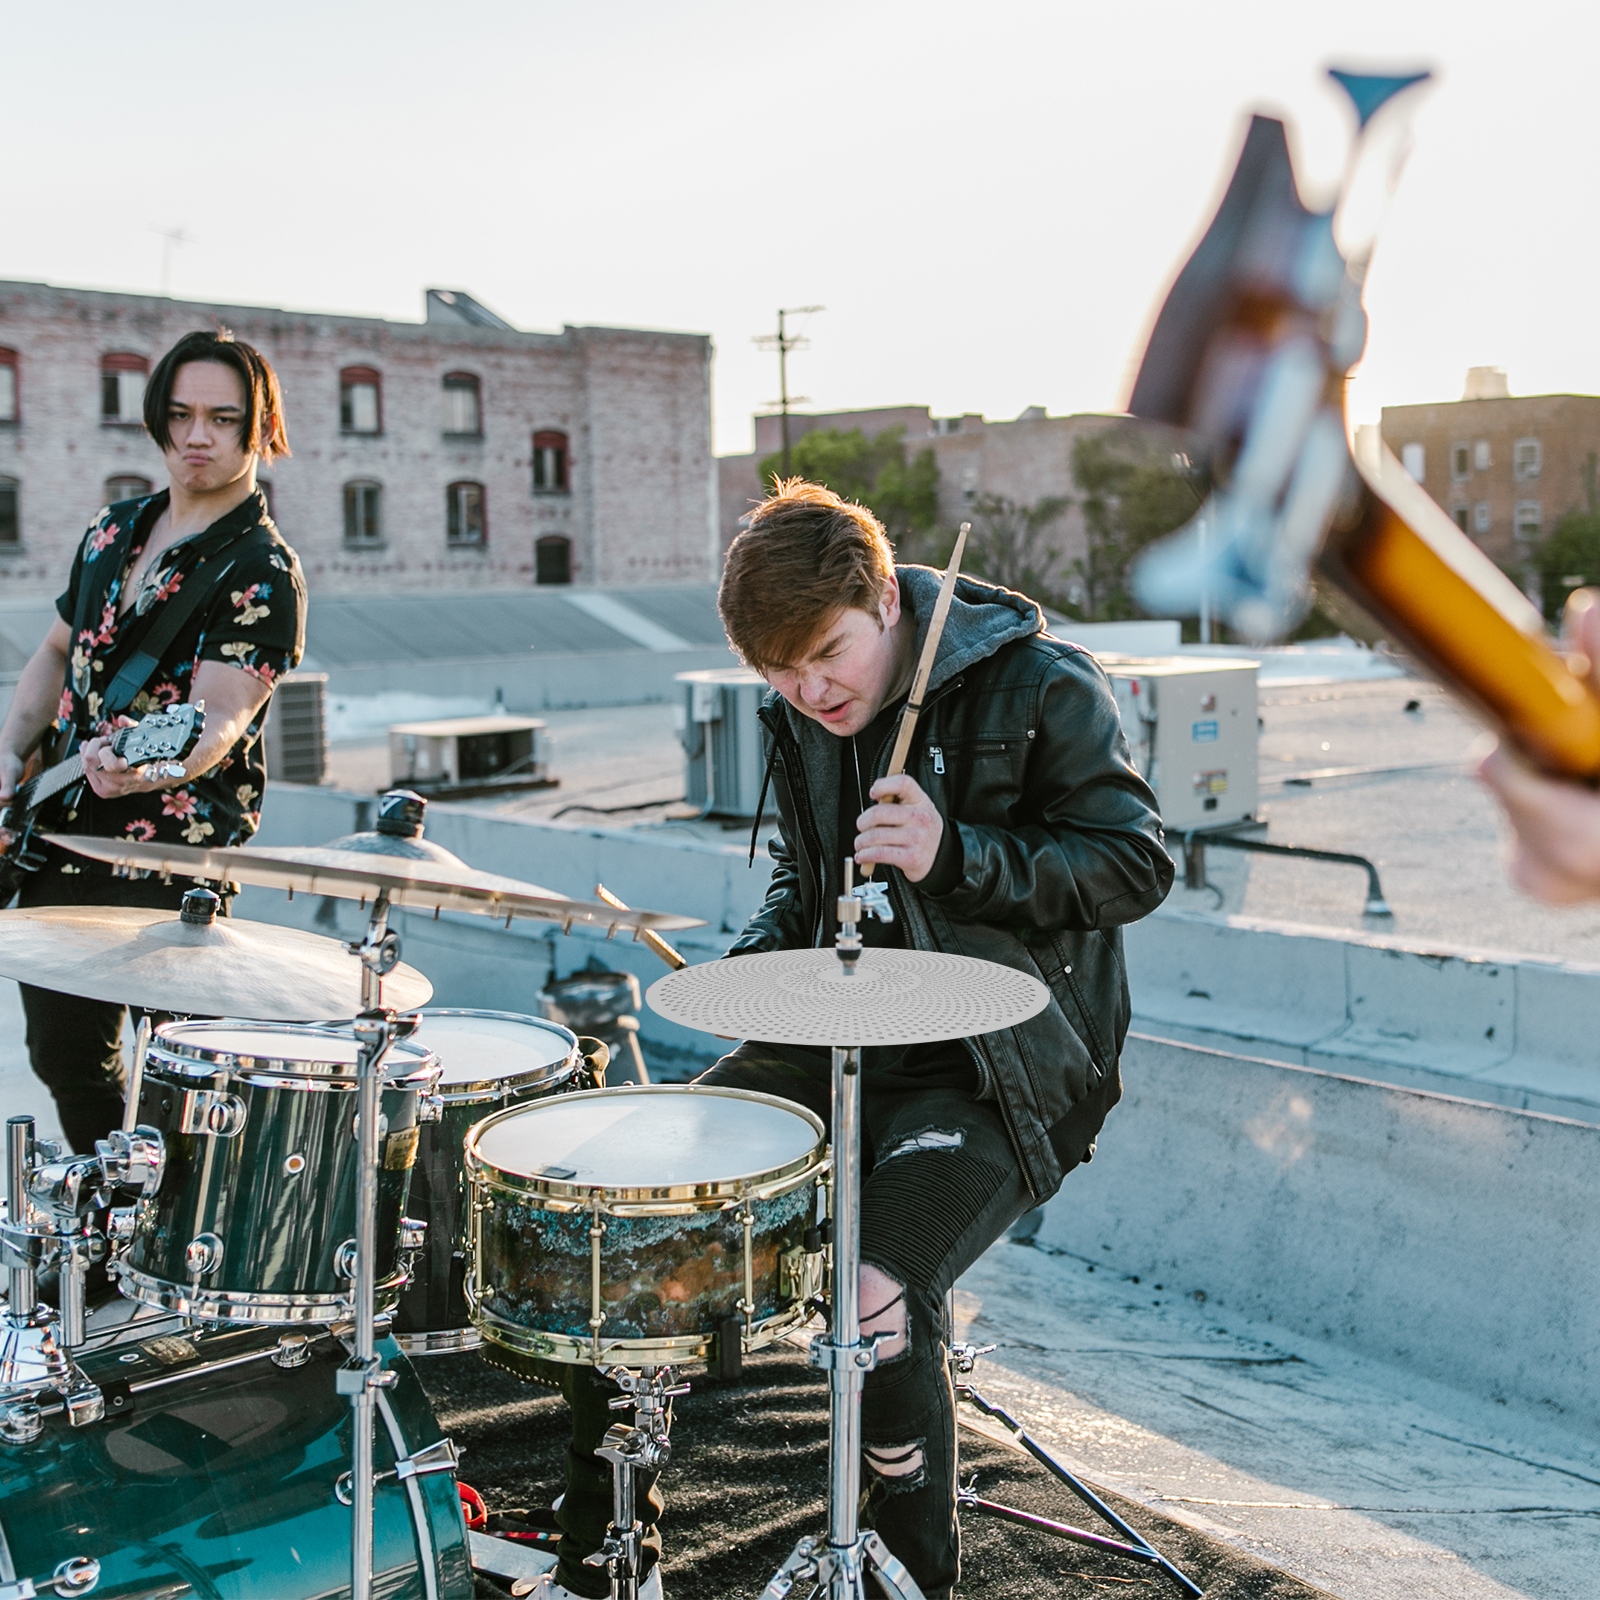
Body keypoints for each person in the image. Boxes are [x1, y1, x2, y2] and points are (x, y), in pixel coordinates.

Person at [535, 480, 1173, 1600]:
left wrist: (958, 854)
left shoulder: (1038, 679)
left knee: (874, 1285)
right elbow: (806, 873)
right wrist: (751, 973)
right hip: (837, 1024)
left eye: (827, 655)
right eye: (778, 674)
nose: (808, 690)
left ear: (883, 597)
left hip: (1001, 1063)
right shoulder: (801, 703)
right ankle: (606, 1547)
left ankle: (906, 1571)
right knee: (626, 1209)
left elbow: (1135, 864)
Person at [0, 329, 305, 1153]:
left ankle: (180, 1244)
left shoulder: (261, 569)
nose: (197, 436)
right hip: (57, 845)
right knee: (64, 1060)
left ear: (259, 428)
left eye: (221, 418)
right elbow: (58, 652)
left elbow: (219, 716)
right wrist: (10, 751)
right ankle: (114, 1222)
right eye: (180, 415)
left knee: (188, 1082)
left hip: (170, 869)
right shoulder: (113, 529)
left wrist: (150, 768)